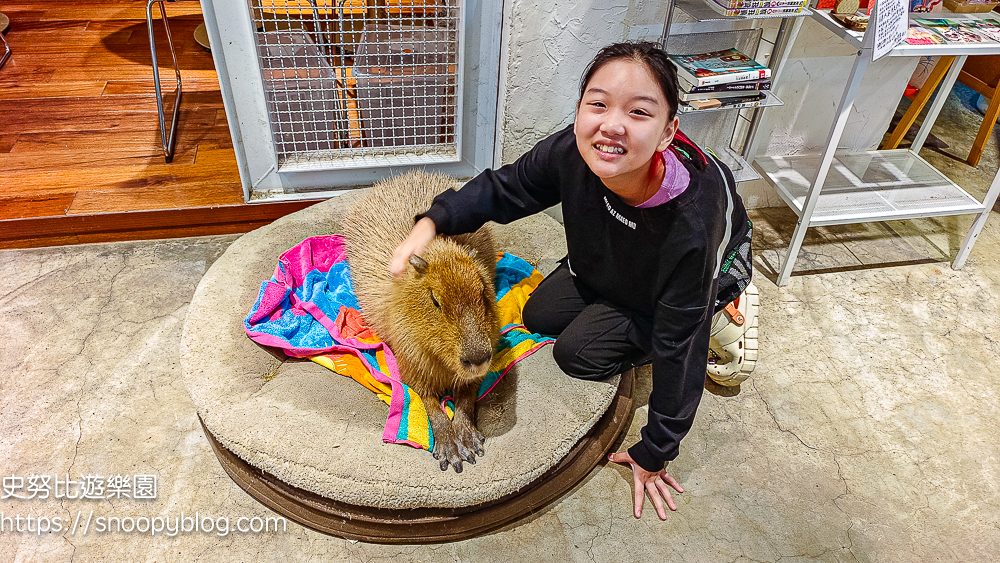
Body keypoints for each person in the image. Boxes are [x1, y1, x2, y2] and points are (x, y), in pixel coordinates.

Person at [389, 41, 753, 520]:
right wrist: (432, 221)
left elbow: (681, 346)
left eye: (639, 112)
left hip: (676, 284)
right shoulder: (577, 148)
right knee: (537, 314)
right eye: (597, 104)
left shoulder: (692, 223)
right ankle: (621, 289)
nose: (612, 125)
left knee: (577, 354)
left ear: (668, 132)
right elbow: (507, 188)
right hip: (605, 263)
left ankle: (724, 307)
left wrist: (656, 450)